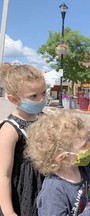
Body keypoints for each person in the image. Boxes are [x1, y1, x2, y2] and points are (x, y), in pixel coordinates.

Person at [0, 63, 47, 215]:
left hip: (46, 186)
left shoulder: (42, 118)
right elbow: (3, 175)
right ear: (14, 99)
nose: (41, 99)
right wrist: (8, 212)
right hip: (24, 192)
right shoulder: (10, 129)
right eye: (33, 96)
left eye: (44, 93)